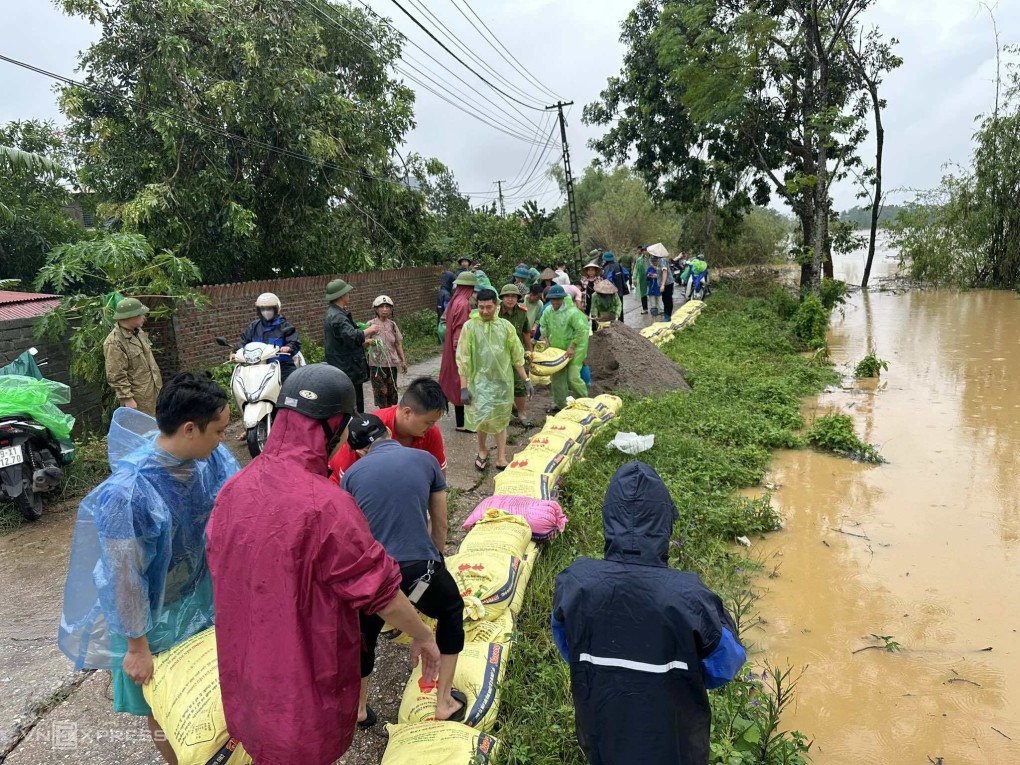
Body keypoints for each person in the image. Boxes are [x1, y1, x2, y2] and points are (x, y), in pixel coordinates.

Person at [206, 365, 441, 765]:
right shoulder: (326, 506)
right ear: (333, 429)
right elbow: (380, 591)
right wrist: (423, 635)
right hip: (304, 681)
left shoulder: (232, 490)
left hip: (246, 675)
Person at [58, 373, 237, 765]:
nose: (223, 440)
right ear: (190, 429)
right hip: (149, 620)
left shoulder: (208, 459)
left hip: (198, 595)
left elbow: (235, 504)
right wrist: (137, 647)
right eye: (219, 431)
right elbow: (124, 577)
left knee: (210, 687)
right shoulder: (128, 495)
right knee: (164, 705)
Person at [552, 462, 746, 765]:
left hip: (603, 739)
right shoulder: (689, 596)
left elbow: (569, 648)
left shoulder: (576, 583)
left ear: (609, 518)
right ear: (664, 522)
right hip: (674, 748)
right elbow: (724, 666)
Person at [341, 414, 466, 724]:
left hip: (374, 575)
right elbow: (440, 523)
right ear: (388, 432)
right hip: (418, 569)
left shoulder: (351, 476)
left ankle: (358, 709)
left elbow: (354, 534)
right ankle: (444, 701)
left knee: (364, 635)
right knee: (451, 608)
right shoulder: (426, 459)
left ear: (358, 451)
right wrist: (436, 563)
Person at [457, 288, 532, 471]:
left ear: (496, 306)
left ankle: (501, 456)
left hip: (502, 382)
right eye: (481, 307)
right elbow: (463, 358)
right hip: (479, 381)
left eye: (488, 307)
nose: (484, 311)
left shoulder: (506, 327)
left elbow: (516, 356)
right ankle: (482, 451)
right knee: (482, 418)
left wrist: (526, 379)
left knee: (501, 419)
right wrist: (464, 387)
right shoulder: (470, 327)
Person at [329, 376, 448, 482]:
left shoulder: (430, 432)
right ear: (407, 412)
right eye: (428, 422)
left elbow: (439, 475)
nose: (432, 427)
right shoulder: (368, 429)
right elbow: (345, 481)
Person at [324, 278, 379, 414]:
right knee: (353, 403)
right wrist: (370, 330)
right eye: (347, 293)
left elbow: (343, 341)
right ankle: (356, 428)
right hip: (348, 368)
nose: (349, 295)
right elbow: (352, 336)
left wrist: (364, 343)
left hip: (343, 365)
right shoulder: (338, 316)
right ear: (342, 295)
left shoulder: (334, 312)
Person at [103, 297, 163, 416]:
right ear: (129, 316)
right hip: (138, 398)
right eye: (140, 315)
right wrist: (127, 398)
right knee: (143, 431)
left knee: (159, 427)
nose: (143, 318)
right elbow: (116, 374)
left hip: (153, 390)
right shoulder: (114, 342)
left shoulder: (138, 332)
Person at [538, 285, 589, 413]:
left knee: (573, 377)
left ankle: (584, 401)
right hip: (556, 347)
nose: (555, 302)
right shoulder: (548, 311)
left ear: (563, 298)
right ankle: (561, 404)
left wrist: (572, 347)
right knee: (557, 377)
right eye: (553, 299)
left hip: (575, 347)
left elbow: (581, 330)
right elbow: (543, 324)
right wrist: (546, 339)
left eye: (558, 299)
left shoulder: (572, 313)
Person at [439, 271, 476, 432]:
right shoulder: (463, 304)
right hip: (459, 349)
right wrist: (461, 352)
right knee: (462, 382)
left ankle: (461, 423)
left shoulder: (455, 301)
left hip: (453, 348)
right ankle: (463, 424)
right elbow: (460, 330)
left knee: (455, 382)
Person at [239, 292, 301, 383]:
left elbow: (294, 341)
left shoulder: (284, 325)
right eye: (263, 309)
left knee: (290, 387)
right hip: (258, 367)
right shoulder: (254, 327)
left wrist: (288, 347)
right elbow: (243, 341)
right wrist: (235, 352)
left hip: (281, 367)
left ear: (276, 309)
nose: (265, 312)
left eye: (269, 309)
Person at [499, 284, 535, 428]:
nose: (510, 299)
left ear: (518, 299)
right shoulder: (496, 313)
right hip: (499, 354)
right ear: (502, 298)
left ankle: (520, 413)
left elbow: (526, 332)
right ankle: (506, 412)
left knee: (520, 385)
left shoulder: (522, 312)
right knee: (501, 384)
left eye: (513, 296)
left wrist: (530, 350)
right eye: (507, 296)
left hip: (517, 354)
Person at [366, 295, 408, 409]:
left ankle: (389, 414)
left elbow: (398, 344)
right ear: (376, 309)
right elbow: (362, 342)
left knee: (391, 392)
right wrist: (369, 341)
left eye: (387, 307)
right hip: (377, 365)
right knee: (381, 393)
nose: (384, 309)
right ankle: (383, 417)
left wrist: (403, 361)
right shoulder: (370, 325)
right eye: (381, 307)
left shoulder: (392, 325)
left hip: (391, 363)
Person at [602, 252, 628, 321]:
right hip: (620, 291)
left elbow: (608, 280)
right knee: (620, 308)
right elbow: (626, 274)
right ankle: (621, 325)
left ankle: (614, 327)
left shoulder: (607, 267)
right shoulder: (618, 265)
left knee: (612, 310)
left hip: (611, 293)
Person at [633, 246, 651, 314]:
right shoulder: (639, 260)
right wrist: (634, 278)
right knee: (643, 294)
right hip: (642, 278)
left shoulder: (652, 258)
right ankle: (645, 309)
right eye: (643, 250)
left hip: (652, 278)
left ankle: (656, 308)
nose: (644, 252)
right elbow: (636, 269)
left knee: (653, 293)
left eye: (646, 250)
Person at [660, 251, 677, 320]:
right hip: (666, 283)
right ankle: (666, 316)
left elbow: (664, 271)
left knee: (667, 300)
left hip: (667, 283)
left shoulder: (662, 260)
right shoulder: (660, 260)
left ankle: (667, 317)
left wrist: (663, 285)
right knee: (664, 299)